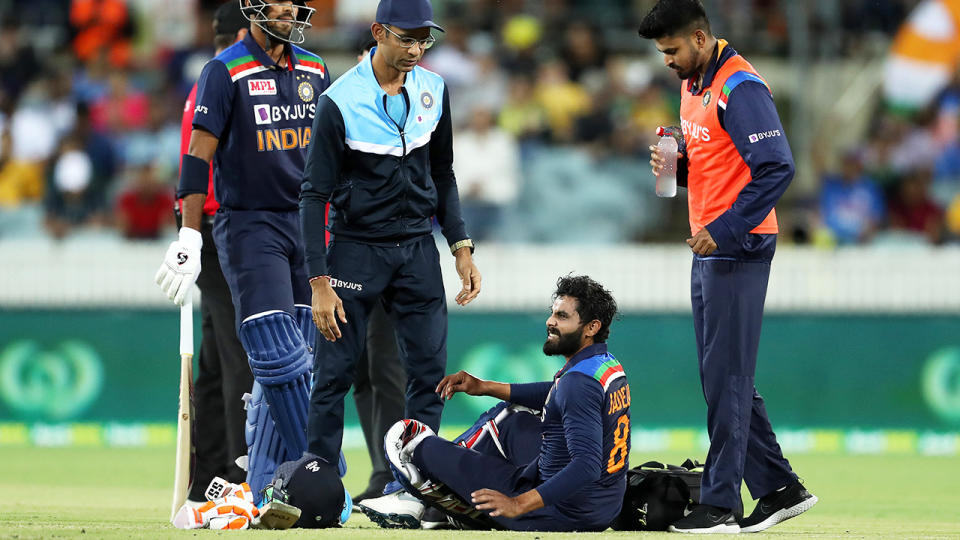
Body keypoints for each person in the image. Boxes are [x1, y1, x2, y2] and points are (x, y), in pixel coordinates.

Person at [639, 0, 817, 533]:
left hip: (737, 247)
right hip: (713, 245)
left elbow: (778, 168)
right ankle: (781, 489)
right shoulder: (693, 83)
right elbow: (722, 166)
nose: (666, 61)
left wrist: (725, 229)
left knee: (728, 379)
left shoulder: (741, 87)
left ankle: (719, 506)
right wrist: (680, 168)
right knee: (723, 378)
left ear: (698, 38)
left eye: (671, 50)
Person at [299, 0, 481, 494]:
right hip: (356, 249)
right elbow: (314, 195)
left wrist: (460, 244)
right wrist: (318, 280)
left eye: (424, 39)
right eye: (406, 38)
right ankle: (319, 486)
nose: (416, 49)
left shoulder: (434, 89)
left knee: (429, 373)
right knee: (333, 374)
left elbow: (442, 174)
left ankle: (417, 488)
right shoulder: (339, 100)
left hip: (418, 248)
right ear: (379, 32)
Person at [155, 0, 331, 500]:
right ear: (252, 8)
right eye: (275, 4)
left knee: (308, 352)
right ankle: (297, 471)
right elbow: (197, 154)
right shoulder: (225, 69)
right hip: (250, 224)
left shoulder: (316, 68)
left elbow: (332, 151)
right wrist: (189, 233)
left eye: (292, 3)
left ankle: (282, 478)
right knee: (275, 352)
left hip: (310, 223)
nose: (287, 12)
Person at [361, 275, 629, 532]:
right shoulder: (605, 365)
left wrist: (517, 504)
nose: (550, 321)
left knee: (410, 441)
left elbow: (587, 465)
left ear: (591, 327)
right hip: (602, 505)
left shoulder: (578, 383)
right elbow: (557, 394)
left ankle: (412, 499)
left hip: (560, 511)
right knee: (513, 416)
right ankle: (444, 500)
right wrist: (485, 387)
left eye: (562, 316)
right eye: (552, 312)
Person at [164, 2, 254, 503]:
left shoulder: (201, 84)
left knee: (219, 360)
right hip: (224, 226)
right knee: (241, 352)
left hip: (201, 224)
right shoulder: (227, 80)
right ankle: (242, 472)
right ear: (244, 31)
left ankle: (209, 474)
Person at [349, 37, 408, 504]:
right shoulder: (346, 111)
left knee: (385, 369)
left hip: (390, 254)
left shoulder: (398, 110)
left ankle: (396, 471)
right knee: (364, 372)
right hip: (349, 256)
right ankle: (379, 468)